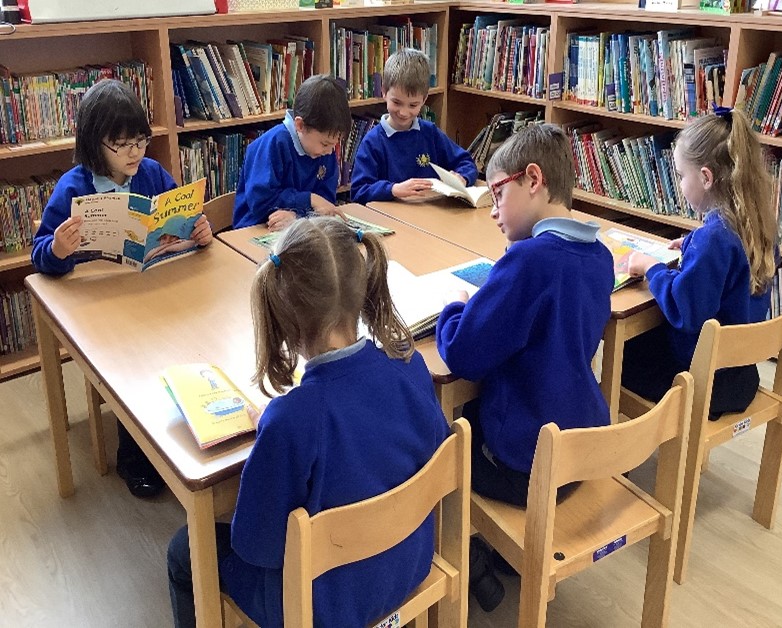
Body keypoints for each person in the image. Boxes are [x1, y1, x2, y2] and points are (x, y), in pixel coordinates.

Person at [167, 217, 450, 628]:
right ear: (362, 289)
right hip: (408, 565)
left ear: (283, 319)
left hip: (322, 608)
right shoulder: (410, 366)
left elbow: (255, 546)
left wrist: (271, 429)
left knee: (184, 550)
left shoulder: (292, 420)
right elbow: (433, 456)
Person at [435, 124, 614, 611]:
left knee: (435, 429)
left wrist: (455, 307)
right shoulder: (599, 257)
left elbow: (464, 354)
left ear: (532, 179)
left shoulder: (529, 261)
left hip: (526, 466)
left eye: (497, 194)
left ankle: (466, 556)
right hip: (580, 451)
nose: (492, 211)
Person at [31, 79, 214, 498]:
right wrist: (59, 247)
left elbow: (181, 217)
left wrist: (199, 231)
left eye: (141, 141)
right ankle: (135, 455)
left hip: (152, 291)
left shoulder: (150, 174)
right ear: (95, 144)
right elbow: (40, 256)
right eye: (122, 144)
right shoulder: (74, 188)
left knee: (186, 338)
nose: (134, 153)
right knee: (133, 368)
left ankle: (185, 427)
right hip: (100, 308)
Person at [623, 107, 777, 419]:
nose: (679, 185)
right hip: (741, 374)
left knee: (628, 352)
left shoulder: (714, 239)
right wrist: (692, 244)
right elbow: (726, 262)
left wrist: (652, 268)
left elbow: (685, 310)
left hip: (704, 382)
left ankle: (627, 447)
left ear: (705, 177)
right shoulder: (757, 225)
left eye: (681, 176)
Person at [350, 48, 478, 204]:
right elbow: (359, 191)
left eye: (413, 105)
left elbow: (466, 162)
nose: (404, 112)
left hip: (430, 214)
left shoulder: (429, 132)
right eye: (397, 102)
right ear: (383, 91)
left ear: (424, 100)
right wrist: (393, 189)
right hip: (392, 218)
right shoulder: (373, 141)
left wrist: (462, 178)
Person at [232, 74, 352, 230]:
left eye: (334, 145)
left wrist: (297, 217)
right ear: (300, 125)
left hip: (300, 227)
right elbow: (260, 202)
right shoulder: (274, 144)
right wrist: (309, 200)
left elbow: (325, 203)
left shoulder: (324, 152)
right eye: (325, 144)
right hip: (257, 227)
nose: (329, 152)